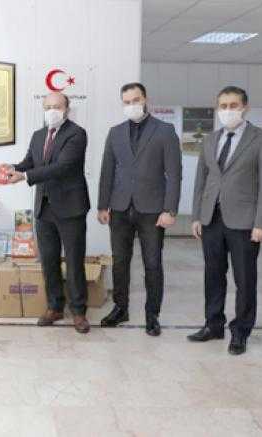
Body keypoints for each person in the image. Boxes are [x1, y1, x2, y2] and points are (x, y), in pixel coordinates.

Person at [188, 86, 262, 355]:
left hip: (245, 222)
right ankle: (213, 324)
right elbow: (202, 180)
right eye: (223, 106)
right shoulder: (210, 139)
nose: (227, 110)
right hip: (211, 219)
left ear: (245, 107)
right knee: (213, 275)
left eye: (233, 105)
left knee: (244, 279)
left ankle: (240, 332)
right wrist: (197, 216)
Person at [96, 82, 182, 336]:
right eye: (127, 102)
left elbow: (174, 174)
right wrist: (102, 205)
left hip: (152, 210)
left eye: (136, 100)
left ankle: (152, 315)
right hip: (120, 208)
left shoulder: (165, 131)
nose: (131, 105)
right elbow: (107, 171)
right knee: (120, 262)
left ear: (145, 99)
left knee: (152, 263)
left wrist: (170, 209)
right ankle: (120, 309)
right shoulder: (115, 133)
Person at [6, 92, 91, 334]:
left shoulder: (76, 134)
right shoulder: (38, 135)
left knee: (74, 261)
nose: (52, 111)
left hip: (70, 207)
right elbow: (29, 163)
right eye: (47, 107)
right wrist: (10, 168)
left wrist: (25, 176)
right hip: (44, 208)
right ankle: (55, 307)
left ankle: (78, 311)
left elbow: (62, 167)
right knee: (48, 260)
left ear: (67, 109)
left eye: (57, 106)